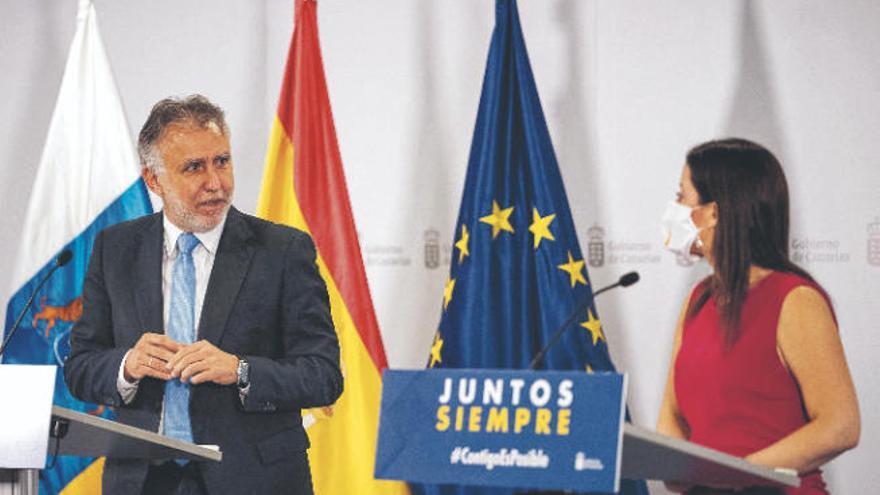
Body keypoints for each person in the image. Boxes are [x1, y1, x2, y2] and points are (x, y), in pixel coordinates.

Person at [64, 95, 343, 495]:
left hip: (254, 479)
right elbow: (81, 367)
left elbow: (323, 375)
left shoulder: (282, 251)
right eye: (194, 167)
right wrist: (127, 364)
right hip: (143, 481)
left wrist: (241, 370)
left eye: (222, 161)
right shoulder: (116, 249)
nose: (215, 182)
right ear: (153, 180)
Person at [656, 138, 859, 494]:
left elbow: (840, 426)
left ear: (714, 212)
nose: (673, 208)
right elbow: (672, 416)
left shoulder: (795, 299)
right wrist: (678, 470)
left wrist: (735, 474)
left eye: (681, 196)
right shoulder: (698, 299)